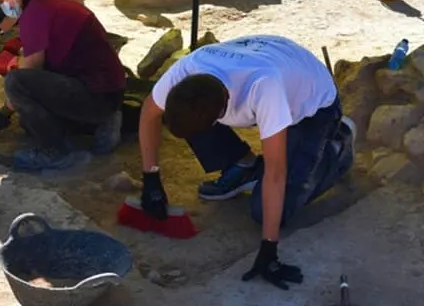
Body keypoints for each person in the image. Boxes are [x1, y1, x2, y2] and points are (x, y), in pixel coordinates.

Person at [137, 35, 357, 290]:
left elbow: (276, 172)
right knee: (190, 119)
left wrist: (269, 249)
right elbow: (149, 113)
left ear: (219, 118)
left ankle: (336, 147)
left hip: (313, 104)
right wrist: (151, 177)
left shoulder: (263, 89)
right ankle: (243, 166)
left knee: (266, 211)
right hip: (270, 58)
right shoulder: (187, 71)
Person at [0, 0, 126, 172]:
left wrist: (4, 113)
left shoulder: (35, 14)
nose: (3, 6)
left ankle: (56, 152)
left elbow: (29, 73)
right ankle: (102, 124)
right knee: (29, 120)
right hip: (109, 90)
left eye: (1, 0)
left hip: (97, 96)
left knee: (15, 83)